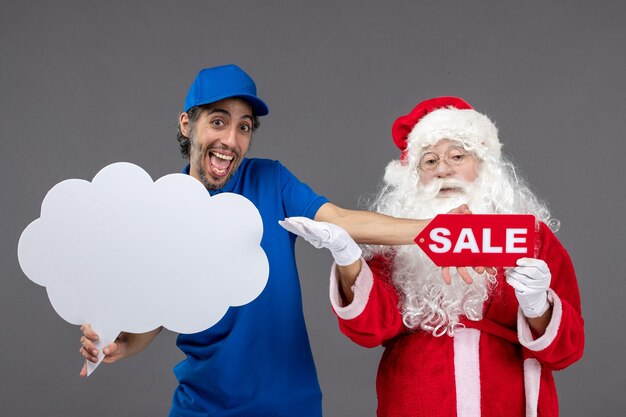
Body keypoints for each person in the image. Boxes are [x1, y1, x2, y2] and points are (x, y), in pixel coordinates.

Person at [78, 66, 468, 417]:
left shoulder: (271, 180)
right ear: (186, 124)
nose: (231, 140)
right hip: (202, 406)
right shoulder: (165, 210)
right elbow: (161, 309)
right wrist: (123, 343)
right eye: (218, 122)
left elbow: (343, 220)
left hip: (289, 405)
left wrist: (436, 228)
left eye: (244, 127)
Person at [282, 97, 584, 417]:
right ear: (416, 177)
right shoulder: (396, 246)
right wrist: (348, 259)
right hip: (415, 400)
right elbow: (369, 330)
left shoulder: (533, 240)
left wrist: (540, 306)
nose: (442, 170)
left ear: (483, 164)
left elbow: (568, 351)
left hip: (506, 402)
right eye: (428, 161)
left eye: (457, 155)